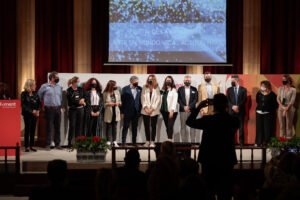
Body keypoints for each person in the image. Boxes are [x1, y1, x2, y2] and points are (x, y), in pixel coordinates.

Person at [186, 93, 240, 200]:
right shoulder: (233, 120)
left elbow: (189, 122)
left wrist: (199, 107)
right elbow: (230, 120)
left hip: (209, 159)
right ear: (226, 105)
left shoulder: (208, 120)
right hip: (226, 159)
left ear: (213, 105)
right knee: (225, 193)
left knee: (209, 191)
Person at [38, 71, 63, 150]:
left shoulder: (59, 87)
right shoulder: (44, 86)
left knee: (57, 127)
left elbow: (60, 98)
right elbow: (39, 96)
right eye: (56, 77)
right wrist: (42, 106)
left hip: (58, 109)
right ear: (52, 78)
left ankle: (57, 144)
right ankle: (48, 144)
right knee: (49, 127)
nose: (58, 78)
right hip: (49, 109)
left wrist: (60, 106)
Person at [255, 80, 278, 146]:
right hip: (259, 113)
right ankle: (258, 142)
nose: (262, 87)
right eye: (261, 86)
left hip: (268, 114)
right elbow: (257, 101)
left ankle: (266, 142)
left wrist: (267, 108)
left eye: (263, 86)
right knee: (259, 128)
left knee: (267, 128)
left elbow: (275, 105)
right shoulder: (259, 93)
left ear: (267, 86)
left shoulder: (272, 94)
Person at [121, 76, 142, 145]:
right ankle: (123, 142)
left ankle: (134, 142)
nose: (137, 83)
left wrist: (140, 111)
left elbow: (141, 100)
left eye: (137, 81)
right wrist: (122, 112)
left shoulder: (140, 89)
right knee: (125, 127)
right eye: (135, 81)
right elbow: (122, 101)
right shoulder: (125, 89)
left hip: (136, 111)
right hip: (127, 111)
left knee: (134, 128)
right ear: (131, 81)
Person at [226, 75, 247, 146]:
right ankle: (231, 142)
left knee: (241, 127)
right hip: (231, 112)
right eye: (231, 81)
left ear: (237, 81)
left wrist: (238, 107)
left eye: (232, 81)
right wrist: (232, 106)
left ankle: (241, 142)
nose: (231, 82)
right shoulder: (229, 89)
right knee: (231, 127)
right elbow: (227, 100)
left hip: (240, 111)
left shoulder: (243, 89)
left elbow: (244, 100)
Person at [141, 75, 161, 147]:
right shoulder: (144, 87)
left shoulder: (157, 88)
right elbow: (142, 98)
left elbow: (158, 100)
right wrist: (146, 108)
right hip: (145, 110)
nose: (150, 80)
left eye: (152, 79)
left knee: (153, 126)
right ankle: (147, 141)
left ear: (154, 80)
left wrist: (152, 109)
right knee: (146, 126)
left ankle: (152, 141)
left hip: (154, 111)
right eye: (149, 79)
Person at [21, 79, 40, 152]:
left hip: (34, 114)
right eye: (34, 84)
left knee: (33, 130)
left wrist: (38, 110)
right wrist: (32, 111)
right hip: (27, 114)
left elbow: (38, 103)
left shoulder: (36, 93)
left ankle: (31, 145)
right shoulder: (23, 94)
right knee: (27, 130)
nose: (35, 86)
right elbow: (24, 106)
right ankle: (26, 146)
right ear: (30, 85)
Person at [178, 75, 198, 143]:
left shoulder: (194, 89)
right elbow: (179, 99)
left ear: (190, 81)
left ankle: (193, 143)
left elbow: (196, 99)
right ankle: (183, 143)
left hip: (192, 111)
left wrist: (189, 107)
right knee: (183, 127)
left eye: (188, 80)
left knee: (192, 127)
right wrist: (184, 107)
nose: (187, 81)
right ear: (184, 81)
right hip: (182, 110)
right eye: (186, 80)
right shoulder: (180, 89)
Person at [66, 76, 85, 147]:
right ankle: (69, 143)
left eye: (79, 82)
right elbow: (71, 101)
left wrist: (82, 100)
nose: (78, 83)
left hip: (80, 110)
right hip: (73, 110)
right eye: (77, 82)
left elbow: (84, 96)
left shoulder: (81, 89)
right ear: (74, 82)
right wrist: (79, 102)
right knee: (72, 126)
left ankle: (78, 143)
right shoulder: (69, 90)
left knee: (79, 127)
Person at [277, 74, 296, 138]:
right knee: (282, 125)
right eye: (282, 80)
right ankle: (282, 140)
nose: (283, 81)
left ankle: (288, 140)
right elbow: (278, 98)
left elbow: (292, 101)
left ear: (289, 80)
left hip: (290, 109)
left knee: (289, 125)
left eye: (285, 80)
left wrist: (286, 109)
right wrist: (282, 107)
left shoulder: (293, 90)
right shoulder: (280, 89)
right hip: (281, 108)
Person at [103, 80, 121, 147]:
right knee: (108, 127)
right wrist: (109, 104)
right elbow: (103, 103)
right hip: (108, 112)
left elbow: (120, 101)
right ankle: (108, 141)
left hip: (116, 111)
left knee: (115, 127)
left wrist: (118, 103)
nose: (116, 86)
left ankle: (114, 141)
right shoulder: (105, 93)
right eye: (114, 85)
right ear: (111, 86)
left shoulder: (117, 92)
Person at [160, 75, 178, 141]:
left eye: (169, 80)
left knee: (170, 126)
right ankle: (169, 139)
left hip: (172, 111)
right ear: (165, 81)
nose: (168, 81)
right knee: (167, 126)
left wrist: (172, 110)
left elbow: (174, 100)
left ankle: (170, 140)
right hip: (164, 111)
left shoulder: (174, 90)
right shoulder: (162, 90)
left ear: (172, 81)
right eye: (167, 80)